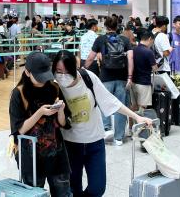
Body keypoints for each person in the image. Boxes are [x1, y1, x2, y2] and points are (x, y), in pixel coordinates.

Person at [52, 51, 152, 197]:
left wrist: (136, 117)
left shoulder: (87, 78)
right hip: (70, 144)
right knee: (74, 188)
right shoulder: (54, 86)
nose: (62, 75)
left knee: (97, 188)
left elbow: (110, 101)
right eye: (59, 71)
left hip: (95, 142)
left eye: (67, 71)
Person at [9, 52, 71, 196]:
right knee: (35, 193)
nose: (43, 81)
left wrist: (61, 110)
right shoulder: (19, 93)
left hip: (57, 154)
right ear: (27, 72)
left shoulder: (54, 88)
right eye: (39, 77)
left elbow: (62, 123)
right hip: (31, 159)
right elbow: (19, 131)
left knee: (63, 193)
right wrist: (40, 113)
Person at [84, 17, 133, 146]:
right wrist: (129, 77)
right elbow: (131, 59)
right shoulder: (125, 40)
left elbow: (90, 57)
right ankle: (118, 138)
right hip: (122, 78)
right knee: (121, 108)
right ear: (117, 26)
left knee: (103, 104)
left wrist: (82, 70)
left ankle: (105, 130)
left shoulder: (100, 39)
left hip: (105, 78)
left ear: (105, 27)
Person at [131, 30, 158, 112]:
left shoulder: (133, 49)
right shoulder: (149, 52)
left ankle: (131, 125)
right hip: (144, 83)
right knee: (142, 107)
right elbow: (154, 68)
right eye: (152, 42)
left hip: (133, 82)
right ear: (150, 39)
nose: (152, 44)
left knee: (133, 107)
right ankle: (140, 124)